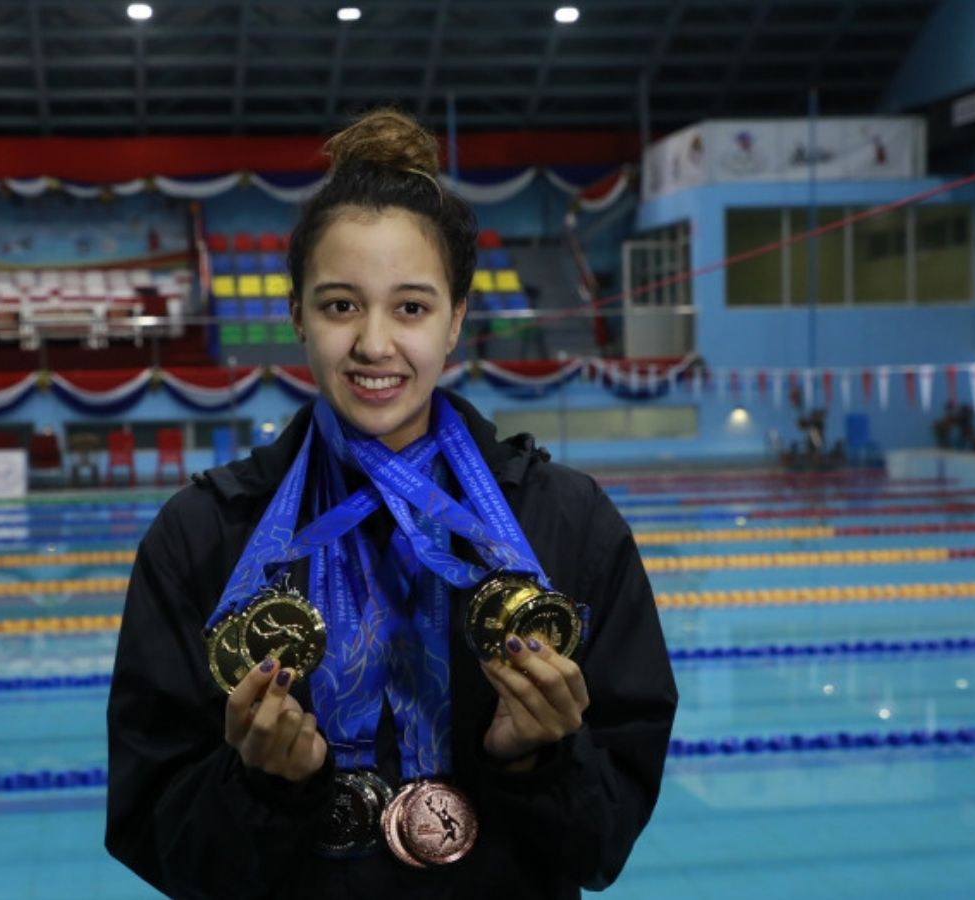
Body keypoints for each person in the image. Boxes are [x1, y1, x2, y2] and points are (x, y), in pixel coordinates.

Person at [105, 109, 677, 900]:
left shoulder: (567, 527)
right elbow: (156, 837)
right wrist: (266, 785)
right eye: (341, 305)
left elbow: (604, 843)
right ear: (296, 314)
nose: (375, 344)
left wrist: (539, 759)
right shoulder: (203, 538)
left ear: (456, 322)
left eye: (411, 307)